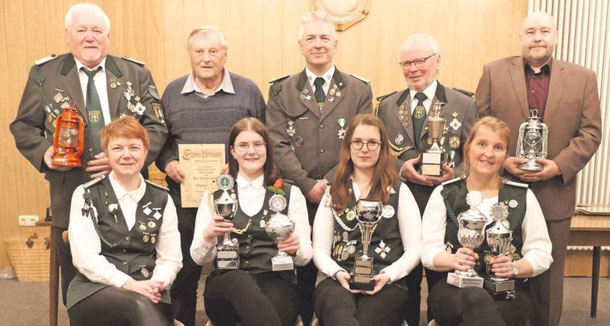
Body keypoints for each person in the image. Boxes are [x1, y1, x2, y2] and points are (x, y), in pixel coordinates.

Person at [9, 3, 167, 305]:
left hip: (131, 193)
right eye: (81, 30)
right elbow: (24, 126)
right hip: (71, 191)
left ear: (107, 37)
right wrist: (46, 152)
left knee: (137, 274)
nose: (89, 37)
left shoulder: (135, 72)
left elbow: (156, 127)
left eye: (97, 31)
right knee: (80, 281)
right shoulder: (45, 75)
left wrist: (126, 160)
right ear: (68, 36)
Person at [475, 11, 602, 326]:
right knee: (497, 270)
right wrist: (501, 160)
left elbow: (591, 133)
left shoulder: (583, 77)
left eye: (544, 30)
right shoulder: (493, 72)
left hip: (554, 193)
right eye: (530, 31)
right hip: (500, 192)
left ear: (555, 36)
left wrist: (557, 166)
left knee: (547, 282)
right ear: (521, 38)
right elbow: (477, 126)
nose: (537, 37)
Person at [266, 11, 373, 324]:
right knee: (298, 265)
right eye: (310, 38)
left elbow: (361, 141)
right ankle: (300, 317)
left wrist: (328, 183)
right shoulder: (280, 90)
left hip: (342, 191)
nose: (318, 44)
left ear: (335, 44)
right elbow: (277, 144)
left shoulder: (358, 90)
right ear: (300, 45)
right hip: (296, 194)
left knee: (340, 262)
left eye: (324, 38)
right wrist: (305, 184)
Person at [156, 26, 266, 325]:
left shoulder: (248, 91)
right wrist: (168, 164)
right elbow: (161, 142)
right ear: (190, 55)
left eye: (213, 51)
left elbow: (262, 140)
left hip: (240, 201)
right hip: (186, 200)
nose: (206, 58)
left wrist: (241, 167)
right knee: (185, 275)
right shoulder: (172, 92)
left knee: (237, 270)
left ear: (225, 55)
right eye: (199, 51)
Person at [376, 33, 477, 325]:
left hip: (447, 203)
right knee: (403, 274)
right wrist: (401, 167)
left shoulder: (463, 103)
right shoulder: (387, 106)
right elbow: (380, 153)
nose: (413, 69)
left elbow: (475, 154)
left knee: (440, 276)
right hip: (401, 201)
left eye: (420, 61)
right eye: (406, 63)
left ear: (437, 62)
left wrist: (454, 174)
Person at [421, 116, 553, 326]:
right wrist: (453, 260)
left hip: (507, 290)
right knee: (476, 299)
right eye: (482, 144)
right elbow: (428, 250)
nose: (489, 153)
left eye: (498, 147)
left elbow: (541, 252)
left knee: (491, 310)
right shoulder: (445, 194)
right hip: (452, 289)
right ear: (468, 147)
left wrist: (515, 267)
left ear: (505, 156)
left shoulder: (522, 196)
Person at [190, 117, 312, 326]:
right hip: (226, 285)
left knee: (270, 305)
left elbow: (305, 258)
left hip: (276, 281)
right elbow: (198, 258)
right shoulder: (214, 194)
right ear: (233, 151)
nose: (251, 151)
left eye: (257, 144)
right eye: (243, 145)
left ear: (267, 148)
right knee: (239, 280)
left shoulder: (292, 193)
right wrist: (208, 236)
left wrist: (296, 247)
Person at [66, 116, 181, 326]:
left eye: (134, 147)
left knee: (143, 305)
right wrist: (130, 284)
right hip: (95, 291)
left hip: (150, 289)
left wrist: (156, 283)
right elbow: (85, 258)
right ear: (107, 155)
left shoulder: (163, 199)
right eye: (117, 148)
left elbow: (171, 258)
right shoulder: (85, 195)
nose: (126, 155)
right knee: (138, 305)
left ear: (146, 152)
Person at [312, 113, 421, 326]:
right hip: (338, 281)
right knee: (339, 313)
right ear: (348, 146)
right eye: (358, 142)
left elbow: (415, 249)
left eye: (372, 143)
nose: (364, 149)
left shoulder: (400, 191)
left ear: (382, 148)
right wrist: (338, 272)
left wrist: (388, 275)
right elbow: (320, 250)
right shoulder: (332, 191)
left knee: (367, 319)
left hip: (388, 284)